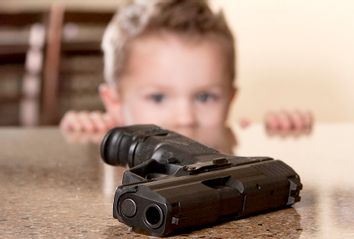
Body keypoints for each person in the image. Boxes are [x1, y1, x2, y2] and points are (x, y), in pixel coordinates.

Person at [60, 0, 312, 141]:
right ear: (114, 103)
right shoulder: (113, 140)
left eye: (205, 97)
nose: (185, 119)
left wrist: (283, 132)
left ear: (230, 99)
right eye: (158, 97)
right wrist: (85, 133)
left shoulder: (233, 142)